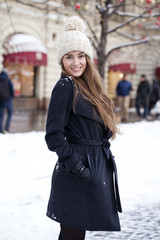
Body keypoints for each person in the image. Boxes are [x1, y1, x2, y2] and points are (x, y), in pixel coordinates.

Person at [45, 16, 122, 240]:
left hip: (94, 165)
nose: (75, 62)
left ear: (88, 58)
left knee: (78, 232)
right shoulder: (65, 86)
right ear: (61, 61)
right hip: (76, 170)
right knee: (72, 233)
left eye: (80, 56)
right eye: (69, 57)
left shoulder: (89, 87)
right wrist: (77, 166)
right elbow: (54, 135)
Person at [0, 69, 14, 133]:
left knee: (1, 115)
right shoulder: (8, 80)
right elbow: (12, 90)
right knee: (10, 114)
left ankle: (0, 129)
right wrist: (11, 97)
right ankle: (7, 128)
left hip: (0, 101)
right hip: (8, 100)